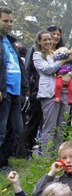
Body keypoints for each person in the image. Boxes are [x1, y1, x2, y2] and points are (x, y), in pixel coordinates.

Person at [33, 30, 72, 157]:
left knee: (61, 126)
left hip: (65, 93)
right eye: (45, 40)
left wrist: (69, 74)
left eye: (49, 39)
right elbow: (48, 69)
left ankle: (59, 155)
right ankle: (46, 156)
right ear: (39, 42)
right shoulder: (38, 55)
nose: (48, 42)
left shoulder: (57, 53)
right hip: (49, 93)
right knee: (50, 126)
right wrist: (64, 61)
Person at [0, 6, 26, 171]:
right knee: (0, 131)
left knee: (17, 130)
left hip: (15, 93)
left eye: (11, 21)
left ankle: (4, 161)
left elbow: (18, 66)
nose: (9, 24)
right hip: (3, 92)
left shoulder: (10, 41)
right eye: (5, 21)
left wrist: (25, 88)